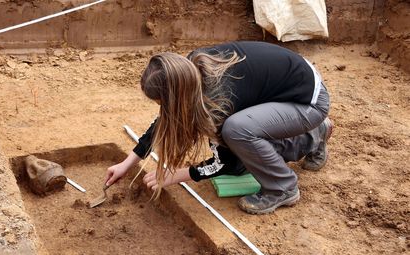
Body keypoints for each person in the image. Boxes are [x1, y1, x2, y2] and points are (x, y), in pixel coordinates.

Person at [105, 41, 333, 215]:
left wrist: (174, 176)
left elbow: (225, 163)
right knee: (243, 140)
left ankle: (283, 187)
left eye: (162, 102)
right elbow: (166, 119)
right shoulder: (187, 72)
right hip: (288, 89)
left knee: (237, 132)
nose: (162, 108)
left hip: (307, 102)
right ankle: (315, 133)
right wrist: (127, 164)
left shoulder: (218, 102)